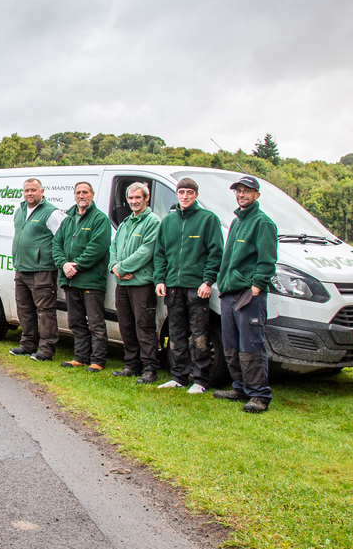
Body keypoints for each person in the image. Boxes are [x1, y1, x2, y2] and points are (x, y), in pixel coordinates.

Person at [212, 175, 278, 413]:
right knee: (231, 345)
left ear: (256, 195)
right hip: (230, 292)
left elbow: (267, 260)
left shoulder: (263, 223)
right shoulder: (237, 221)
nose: (241, 194)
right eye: (238, 191)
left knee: (251, 345)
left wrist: (256, 286)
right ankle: (239, 387)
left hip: (249, 294)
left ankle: (259, 395)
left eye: (246, 191)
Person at [153, 178, 224, 392]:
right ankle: (179, 377)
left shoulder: (208, 219)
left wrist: (208, 280)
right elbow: (160, 253)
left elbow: (216, 253)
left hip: (197, 288)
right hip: (173, 287)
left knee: (199, 335)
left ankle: (200, 380)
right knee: (175, 334)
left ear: (196, 195)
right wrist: (159, 279)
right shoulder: (168, 221)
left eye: (189, 192)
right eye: (181, 192)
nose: (185, 196)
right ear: (176, 194)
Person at [52, 181, 112, 372]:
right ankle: (80, 357)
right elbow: (56, 244)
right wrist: (63, 264)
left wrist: (75, 266)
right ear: (74, 195)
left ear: (92, 195)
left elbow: (97, 248)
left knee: (95, 322)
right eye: (78, 192)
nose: (81, 196)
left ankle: (98, 360)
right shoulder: (68, 219)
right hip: (70, 280)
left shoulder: (100, 219)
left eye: (85, 192)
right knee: (76, 321)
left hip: (91, 280)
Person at [108, 182, 162, 383]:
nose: (133, 201)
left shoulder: (153, 222)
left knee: (144, 326)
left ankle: (150, 368)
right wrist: (115, 267)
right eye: (130, 198)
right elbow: (113, 247)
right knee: (126, 325)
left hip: (141, 285)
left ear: (146, 199)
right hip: (122, 284)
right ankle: (131, 364)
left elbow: (146, 252)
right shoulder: (125, 223)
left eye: (138, 198)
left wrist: (121, 268)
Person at [8, 178, 65, 361]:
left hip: (42, 270)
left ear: (42, 191)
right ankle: (27, 344)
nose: (29, 193)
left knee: (45, 311)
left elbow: (62, 239)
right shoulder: (20, 210)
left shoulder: (52, 213)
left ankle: (46, 349)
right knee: (24, 309)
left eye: (33, 190)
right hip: (22, 268)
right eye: (26, 190)